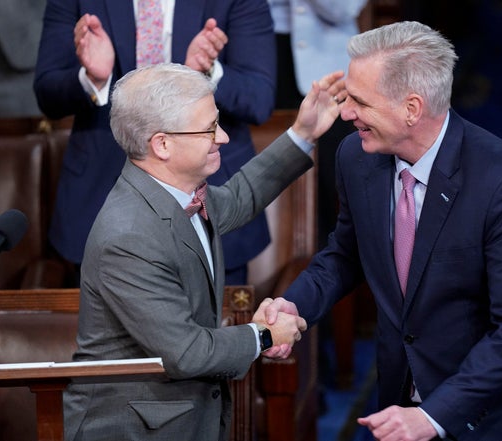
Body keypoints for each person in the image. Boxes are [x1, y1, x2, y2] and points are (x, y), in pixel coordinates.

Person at [266, 21, 502, 440]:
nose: (346, 113)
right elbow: (347, 253)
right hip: (407, 399)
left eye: (360, 102)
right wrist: (294, 305)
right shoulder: (356, 157)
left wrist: (432, 416)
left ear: (412, 108)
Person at [63, 62, 346, 441]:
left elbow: (241, 196)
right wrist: (263, 335)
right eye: (209, 128)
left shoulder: (176, 193)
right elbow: (187, 351)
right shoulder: (127, 236)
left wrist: (303, 132)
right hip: (136, 429)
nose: (224, 138)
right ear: (162, 144)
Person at [34, 0, 277, 285]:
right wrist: (92, 79)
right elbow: (47, 91)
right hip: (100, 194)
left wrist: (205, 74)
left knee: (213, 328)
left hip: (209, 197)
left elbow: (259, 99)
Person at [267, 0, 368, 246]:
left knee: (335, 185)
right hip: (259, 57)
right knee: (269, 175)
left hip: (328, 72)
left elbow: (345, 9)